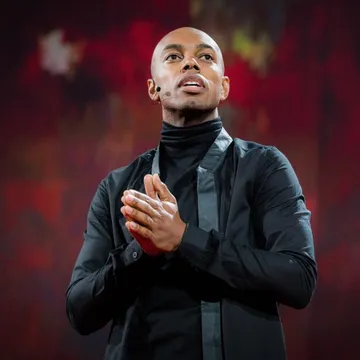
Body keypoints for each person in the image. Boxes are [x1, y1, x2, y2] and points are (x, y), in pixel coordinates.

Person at [66, 27, 317, 360]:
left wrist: (184, 238)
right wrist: (139, 254)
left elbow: (299, 279)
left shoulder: (264, 167)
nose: (190, 64)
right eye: (174, 57)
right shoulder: (117, 187)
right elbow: (80, 310)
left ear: (224, 86)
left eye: (206, 57)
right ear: (153, 88)